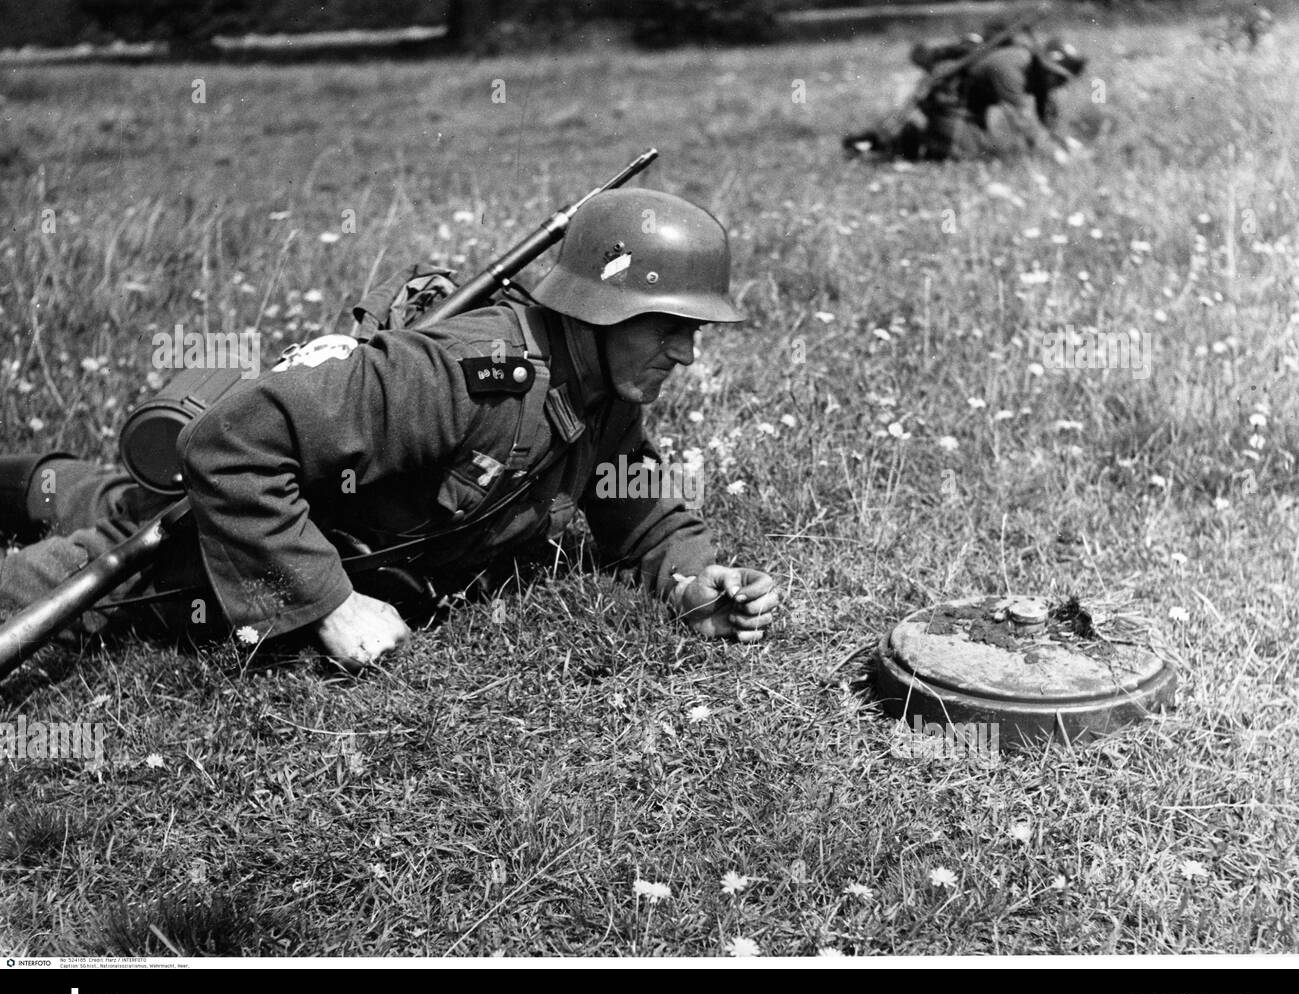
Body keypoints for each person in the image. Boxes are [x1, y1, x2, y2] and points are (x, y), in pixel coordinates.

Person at [0, 189, 781, 672]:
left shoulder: (601, 386)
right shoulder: (461, 376)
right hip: (252, 536)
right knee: (104, 572)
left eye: (693, 332)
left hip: (327, 518)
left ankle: (32, 477)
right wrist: (328, 603)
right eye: (667, 327)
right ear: (600, 312)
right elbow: (227, 446)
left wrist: (689, 579)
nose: (686, 351)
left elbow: (640, 510)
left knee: (96, 494)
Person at [843, 28, 1086, 162]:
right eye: (1057, 76)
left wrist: (1063, 141)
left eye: (1063, 79)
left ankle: (903, 141)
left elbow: (1046, 115)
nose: (1059, 84)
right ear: (1045, 65)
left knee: (982, 150)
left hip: (969, 109)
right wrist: (1055, 155)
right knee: (962, 155)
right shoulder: (1010, 66)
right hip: (947, 103)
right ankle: (896, 141)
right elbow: (1023, 119)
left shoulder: (1038, 75)